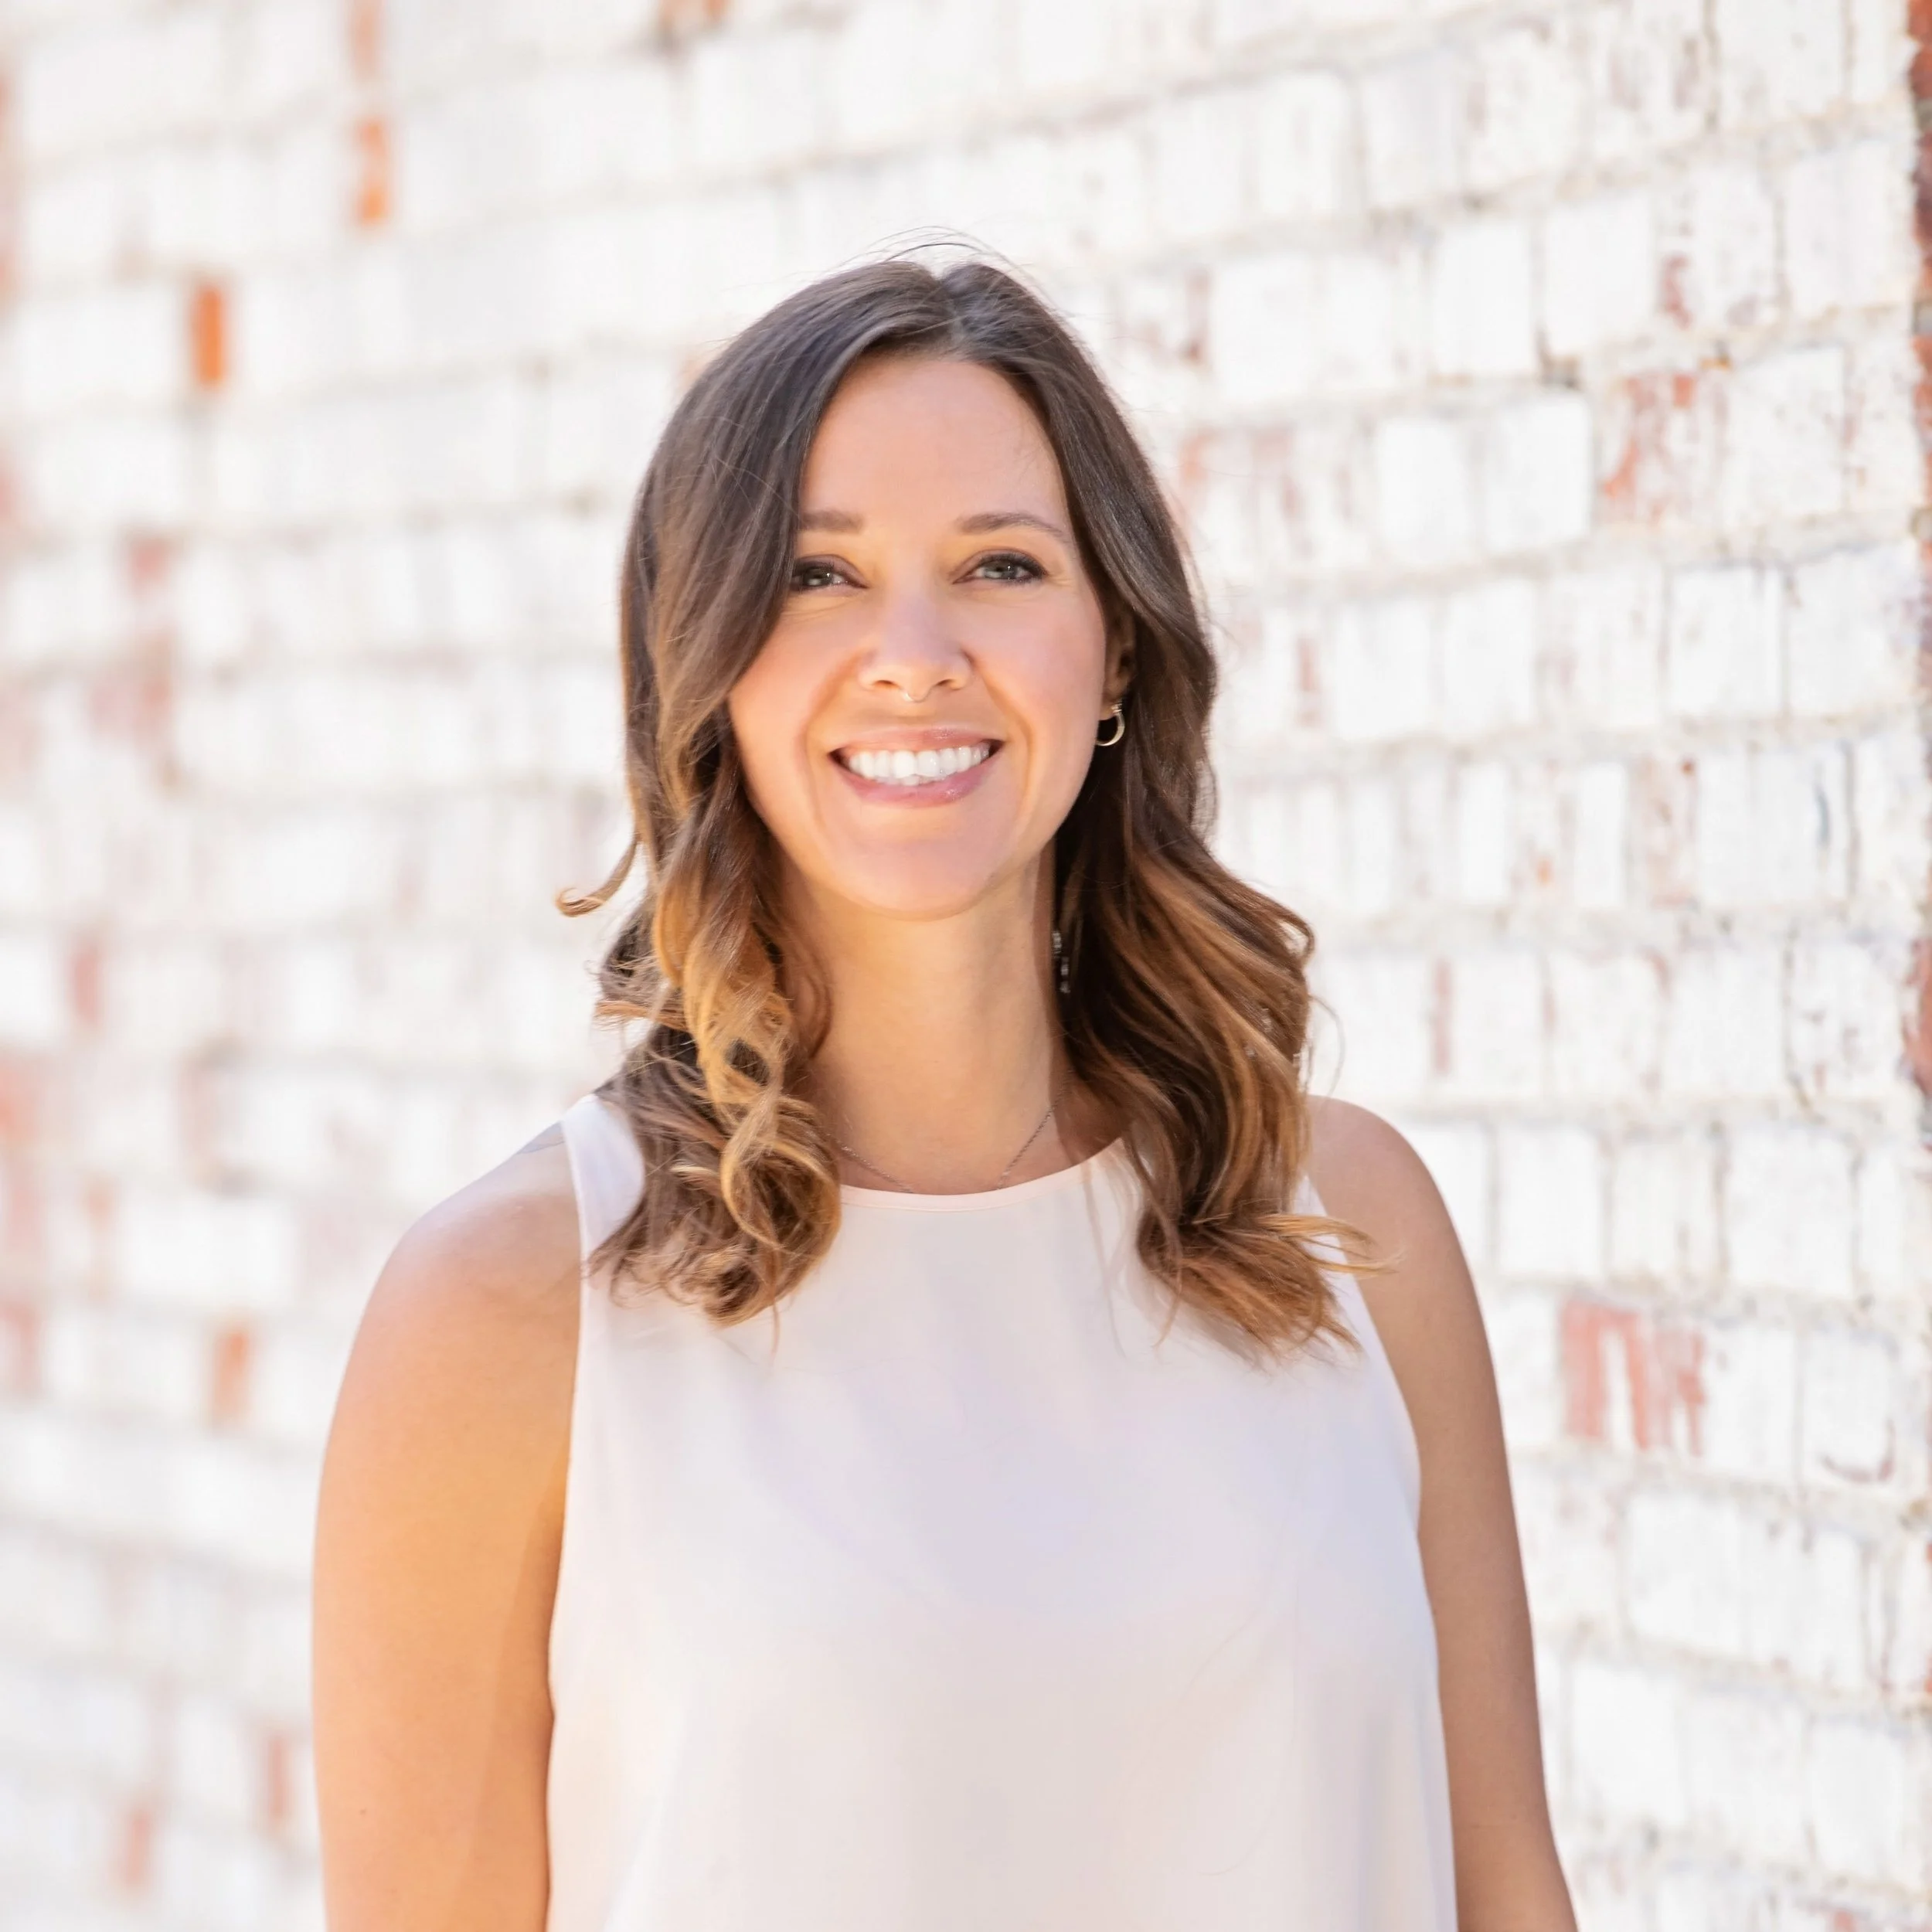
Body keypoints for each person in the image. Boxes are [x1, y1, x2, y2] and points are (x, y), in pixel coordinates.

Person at [312, 259, 1577, 1932]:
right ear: (707, 674)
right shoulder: (512, 1306)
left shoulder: (1341, 1224)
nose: (914, 657)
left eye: (998, 564)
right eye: (817, 575)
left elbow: (1505, 1892)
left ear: (1112, 649)